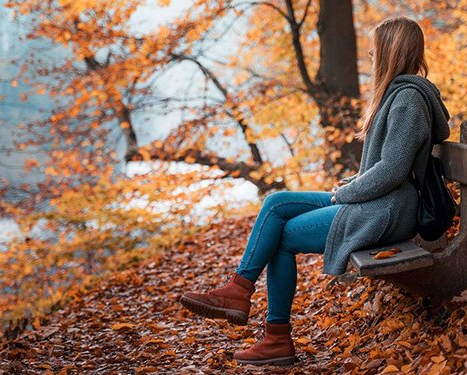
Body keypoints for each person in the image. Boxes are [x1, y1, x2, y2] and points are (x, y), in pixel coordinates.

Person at [178, 16, 451, 366]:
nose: (369, 54)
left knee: (282, 236)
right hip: (380, 201)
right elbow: (385, 167)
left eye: (375, 49)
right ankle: (240, 290)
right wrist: (351, 185)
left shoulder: (408, 99)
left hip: (388, 210)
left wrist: (345, 195)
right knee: (277, 203)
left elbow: (392, 169)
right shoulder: (401, 95)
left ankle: (274, 336)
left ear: (390, 52)